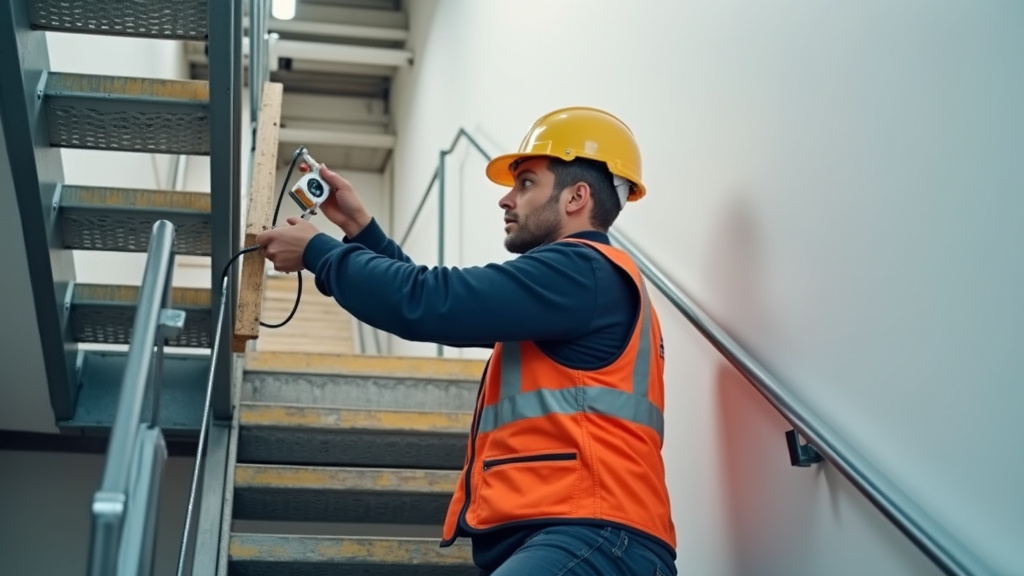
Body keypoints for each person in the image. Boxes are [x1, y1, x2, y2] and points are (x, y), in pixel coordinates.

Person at [256, 106, 677, 576]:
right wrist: (361, 230)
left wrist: (319, 252)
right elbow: (437, 300)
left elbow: (431, 301)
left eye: (527, 183)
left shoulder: (582, 271)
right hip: (585, 535)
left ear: (576, 197)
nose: (506, 199)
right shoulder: (578, 286)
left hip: (591, 535)